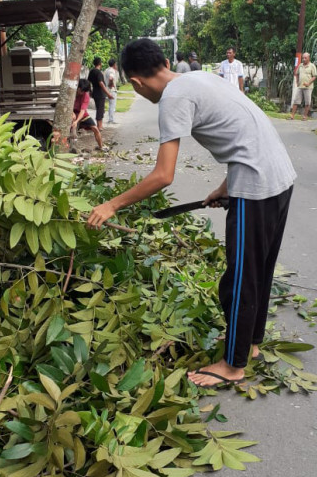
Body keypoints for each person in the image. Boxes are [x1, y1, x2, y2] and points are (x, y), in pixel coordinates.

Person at [87, 38, 296, 387]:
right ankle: (250, 345)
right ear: (165, 61)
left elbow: (163, 176)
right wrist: (225, 188)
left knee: (240, 280)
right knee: (258, 270)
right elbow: (246, 131)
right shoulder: (203, 78)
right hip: (280, 175)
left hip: (256, 184)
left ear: (136, 83)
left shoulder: (172, 99)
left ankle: (233, 366)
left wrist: (111, 205)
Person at [72, 78, 106, 151]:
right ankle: (72, 146)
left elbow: (82, 111)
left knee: (95, 129)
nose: (81, 93)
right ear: (77, 87)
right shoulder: (71, 92)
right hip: (71, 113)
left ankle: (101, 147)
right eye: (80, 90)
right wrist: (72, 113)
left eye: (83, 91)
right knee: (73, 118)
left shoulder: (85, 95)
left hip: (82, 114)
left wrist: (77, 121)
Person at [290, 52, 317, 120]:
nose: (304, 59)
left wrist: (308, 83)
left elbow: (314, 76)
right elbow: (296, 74)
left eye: (305, 58)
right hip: (300, 86)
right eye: (303, 58)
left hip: (308, 87)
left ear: (309, 58)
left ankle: (304, 116)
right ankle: (292, 116)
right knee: (296, 101)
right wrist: (297, 81)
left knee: (307, 102)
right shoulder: (300, 65)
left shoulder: (312, 66)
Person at [88, 57, 113, 130]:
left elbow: (88, 82)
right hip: (100, 93)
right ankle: (99, 126)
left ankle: (100, 125)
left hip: (95, 92)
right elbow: (101, 83)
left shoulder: (91, 71)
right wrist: (108, 93)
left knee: (99, 108)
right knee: (100, 110)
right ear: (100, 63)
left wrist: (90, 91)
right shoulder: (98, 72)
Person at [104, 58, 118, 124]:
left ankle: (110, 119)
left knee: (110, 105)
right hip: (112, 90)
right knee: (112, 105)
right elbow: (111, 78)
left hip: (107, 89)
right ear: (114, 64)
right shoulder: (112, 71)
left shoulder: (106, 70)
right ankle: (111, 119)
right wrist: (111, 84)